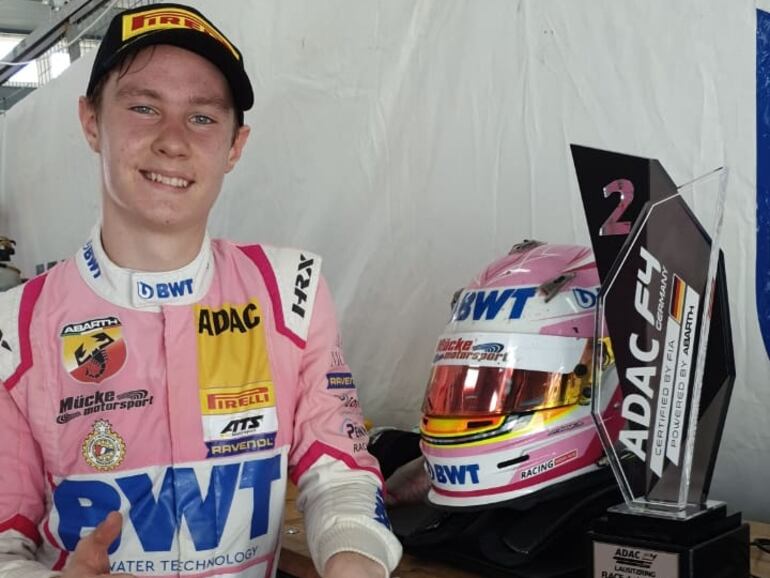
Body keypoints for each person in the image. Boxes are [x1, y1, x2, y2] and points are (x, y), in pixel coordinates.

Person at [0, 3, 402, 577]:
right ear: (91, 121)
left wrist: (353, 560)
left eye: (202, 118)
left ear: (235, 145)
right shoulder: (13, 329)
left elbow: (338, 470)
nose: (172, 141)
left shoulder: (292, 291)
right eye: (143, 107)